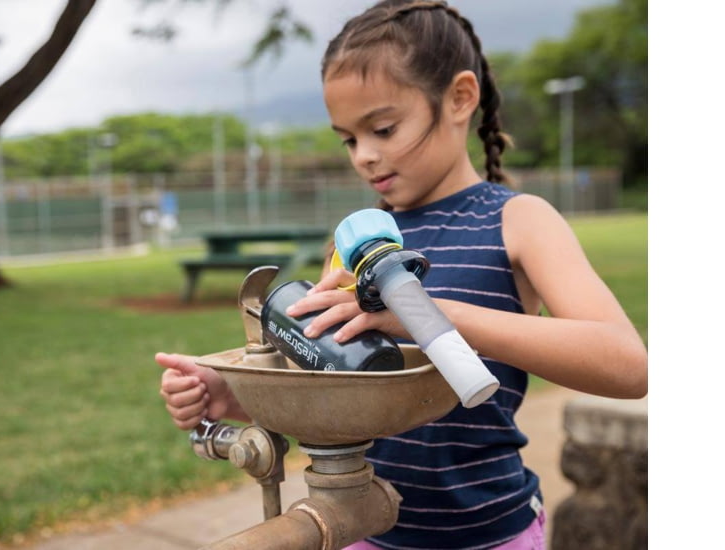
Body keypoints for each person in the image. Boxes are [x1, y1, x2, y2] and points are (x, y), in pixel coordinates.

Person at [156, 1, 648, 548]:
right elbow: (331, 386)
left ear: (459, 98)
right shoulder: (351, 245)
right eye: (348, 139)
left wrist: (429, 316)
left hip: (492, 533)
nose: (364, 156)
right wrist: (240, 396)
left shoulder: (519, 221)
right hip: (362, 529)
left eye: (383, 128)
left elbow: (628, 366)